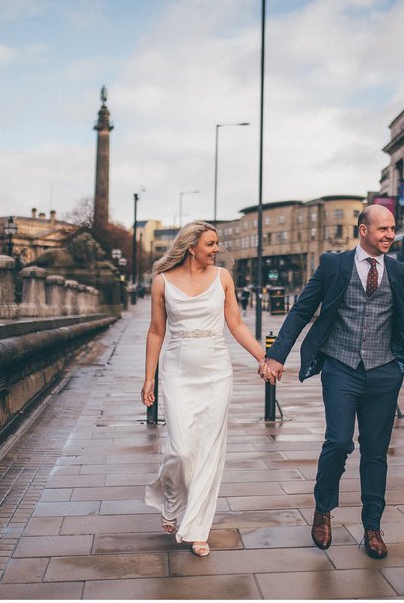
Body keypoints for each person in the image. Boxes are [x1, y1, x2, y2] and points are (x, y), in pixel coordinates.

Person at [260, 205, 404, 559]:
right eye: (382, 229)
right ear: (363, 230)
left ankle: (372, 527)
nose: (389, 235)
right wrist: (276, 355)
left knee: (376, 451)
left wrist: (401, 362)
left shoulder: (400, 271)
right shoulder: (334, 265)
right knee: (337, 441)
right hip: (341, 366)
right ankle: (323, 509)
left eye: (392, 228)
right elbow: (302, 310)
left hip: (384, 371)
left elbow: (400, 318)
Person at [141, 221, 269, 557]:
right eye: (210, 244)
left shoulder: (223, 278)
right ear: (190, 246)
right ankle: (171, 499)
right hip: (177, 372)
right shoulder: (162, 282)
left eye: (216, 243)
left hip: (216, 373)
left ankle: (197, 527)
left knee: (209, 453)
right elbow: (156, 331)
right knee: (181, 451)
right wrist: (148, 377)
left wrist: (263, 358)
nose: (216, 250)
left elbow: (236, 324)